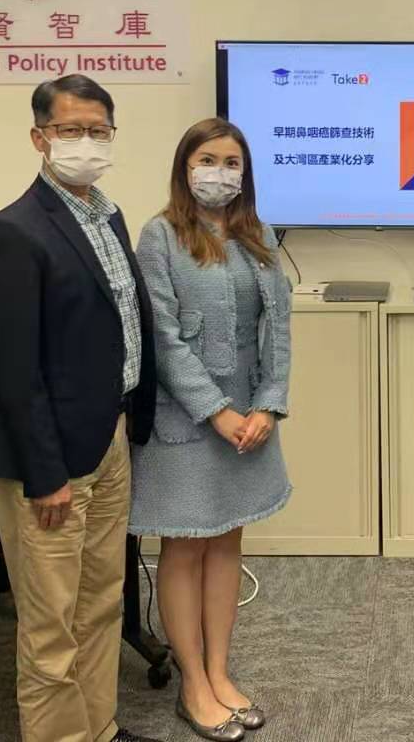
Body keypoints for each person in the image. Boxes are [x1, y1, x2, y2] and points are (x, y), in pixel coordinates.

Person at [0, 74, 160, 742]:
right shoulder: (15, 231)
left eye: (98, 130)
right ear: (39, 138)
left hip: (109, 436)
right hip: (50, 460)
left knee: (101, 602)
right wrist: (45, 473)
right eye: (70, 130)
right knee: (51, 623)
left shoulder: (108, 216)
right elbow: (14, 368)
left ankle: (99, 728)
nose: (86, 142)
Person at [130, 117, 292, 742]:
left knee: (227, 540)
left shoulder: (258, 235)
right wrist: (216, 411)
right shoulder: (160, 235)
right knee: (186, 545)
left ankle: (220, 672)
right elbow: (163, 338)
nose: (218, 173)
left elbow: (277, 330)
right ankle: (192, 683)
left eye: (231, 162)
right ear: (184, 167)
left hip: (250, 417)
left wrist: (268, 405)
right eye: (206, 160)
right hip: (187, 420)